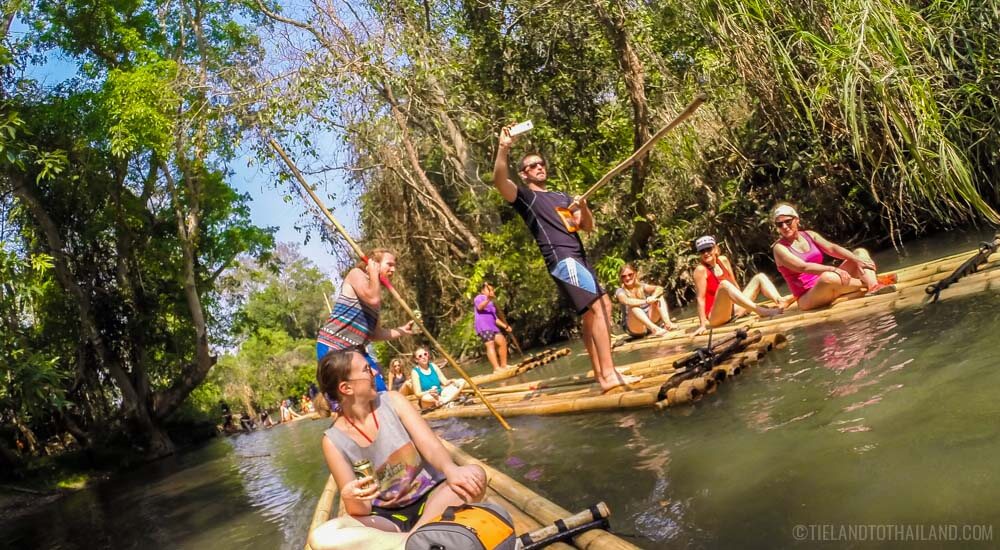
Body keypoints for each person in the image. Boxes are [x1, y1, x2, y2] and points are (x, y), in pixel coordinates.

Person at [493, 128, 637, 393]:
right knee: (599, 307)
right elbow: (499, 181)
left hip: (579, 256)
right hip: (561, 259)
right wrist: (504, 148)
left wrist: (582, 206)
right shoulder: (527, 198)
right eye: (531, 166)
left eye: (540, 164)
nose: (538, 168)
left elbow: (587, 227)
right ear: (524, 174)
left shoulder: (562, 197)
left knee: (595, 311)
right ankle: (609, 375)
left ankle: (600, 371)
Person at [308, 349, 487, 550]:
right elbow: (361, 510)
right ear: (346, 388)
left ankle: (408, 541)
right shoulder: (332, 441)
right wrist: (350, 498)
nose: (375, 373)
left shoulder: (393, 401)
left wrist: (451, 469)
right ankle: (414, 541)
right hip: (388, 518)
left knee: (476, 474)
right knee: (321, 537)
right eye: (367, 370)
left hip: (433, 497)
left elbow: (430, 444)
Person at [316, 249, 415, 392]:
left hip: (357, 350)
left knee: (380, 389)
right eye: (389, 264)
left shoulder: (375, 295)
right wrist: (374, 273)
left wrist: (402, 330)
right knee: (345, 397)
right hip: (333, 346)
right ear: (374, 263)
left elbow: (374, 335)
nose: (393, 269)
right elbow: (372, 299)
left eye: (394, 266)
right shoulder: (356, 274)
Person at [771, 204, 896, 311]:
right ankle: (873, 282)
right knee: (827, 277)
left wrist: (856, 259)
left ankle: (873, 286)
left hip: (829, 282)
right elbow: (803, 267)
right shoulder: (779, 248)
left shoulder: (809, 235)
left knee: (859, 252)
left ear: (796, 219)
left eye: (788, 221)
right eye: (780, 224)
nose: (785, 227)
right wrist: (834, 269)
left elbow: (832, 248)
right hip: (807, 297)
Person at [693, 235, 786, 335]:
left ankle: (780, 300)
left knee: (760, 277)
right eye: (702, 251)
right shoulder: (700, 270)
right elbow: (700, 298)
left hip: (733, 309)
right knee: (724, 284)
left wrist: (743, 305)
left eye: (708, 249)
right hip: (716, 316)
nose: (706, 253)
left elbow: (734, 284)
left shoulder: (723, 260)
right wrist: (703, 325)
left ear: (715, 248)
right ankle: (760, 311)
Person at [614, 264, 678, 339]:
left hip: (650, 320)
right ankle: (655, 329)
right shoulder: (620, 291)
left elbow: (659, 288)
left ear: (635, 274)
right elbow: (626, 301)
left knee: (659, 297)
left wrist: (653, 297)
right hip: (636, 328)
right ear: (621, 278)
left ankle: (668, 324)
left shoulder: (641, 286)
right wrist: (646, 301)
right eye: (623, 276)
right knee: (633, 307)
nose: (627, 278)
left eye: (630, 275)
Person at [473, 282, 513, 372]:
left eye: (492, 290)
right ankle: (496, 368)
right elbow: (480, 307)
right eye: (489, 290)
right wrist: (488, 299)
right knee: (490, 344)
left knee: (502, 342)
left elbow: (495, 318)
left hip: (493, 326)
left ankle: (504, 365)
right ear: (483, 291)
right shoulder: (479, 298)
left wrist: (505, 326)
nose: (491, 292)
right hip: (483, 326)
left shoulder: (491, 303)